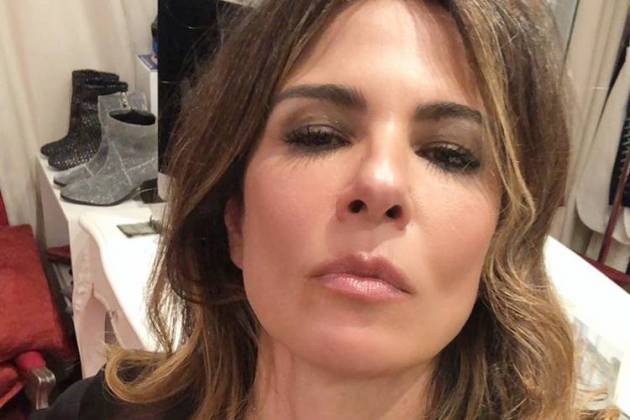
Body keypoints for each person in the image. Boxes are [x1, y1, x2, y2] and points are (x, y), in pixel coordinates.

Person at [34, 0, 621, 419]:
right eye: (318, 136)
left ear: (501, 234)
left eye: (449, 154)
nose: (380, 183)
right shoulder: (100, 411)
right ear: (234, 218)